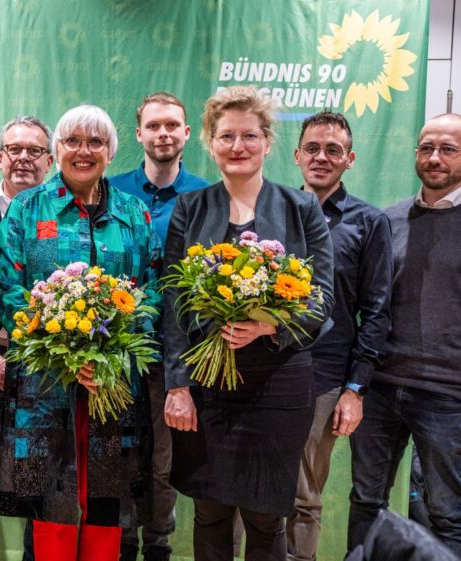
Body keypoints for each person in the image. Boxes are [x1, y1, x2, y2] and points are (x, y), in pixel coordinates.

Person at [163, 85, 334, 561]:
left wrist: (270, 327)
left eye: (250, 136)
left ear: (267, 141)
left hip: (278, 385)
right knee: (210, 509)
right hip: (206, 384)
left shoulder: (302, 209)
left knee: (265, 515)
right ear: (210, 142)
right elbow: (173, 298)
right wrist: (177, 385)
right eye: (226, 136)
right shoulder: (189, 208)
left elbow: (323, 297)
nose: (238, 146)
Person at [0, 104, 161, 561]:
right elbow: (6, 286)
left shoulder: (134, 214)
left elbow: (151, 290)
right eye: (72, 141)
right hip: (44, 385)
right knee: (51, 498)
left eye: (96, 142)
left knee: (107, 501)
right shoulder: (28, 208)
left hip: (113, 385)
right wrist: (63, 354)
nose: (83, 151)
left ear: (111, 150)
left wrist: (113, 355)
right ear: (57, 150)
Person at [347, 113, 461, 560]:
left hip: (451, 398)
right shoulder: (387, 220)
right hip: (381, 388)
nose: (434, 158)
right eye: (427, 147)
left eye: (448, 149)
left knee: (447, 512)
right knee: (366, 502)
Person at [285, 111, 393, 561]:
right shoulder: (274, 212)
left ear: (350, 159)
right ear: (296, 156)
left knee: (304, 497)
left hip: (326, 378)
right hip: (266, 374)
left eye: (333, 150)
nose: (321, 157)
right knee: (247, 495)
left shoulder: (369, 222)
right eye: (312, 148)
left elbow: (378, 311)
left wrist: (355, 389)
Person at [110, 92, 208, 561]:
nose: (163, 133)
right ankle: (124, 544)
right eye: (154, 126)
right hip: (115, 351)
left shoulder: (207, 195)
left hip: (178, 354)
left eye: (172, 125)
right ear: (139, 134)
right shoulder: (111, 191)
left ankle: (160, 547)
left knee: (164, 459)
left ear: (186, 133)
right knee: (121, 453)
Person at [0, 115, 53, 561]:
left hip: (44, 367)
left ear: (49, 161)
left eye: (34, 150)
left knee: (36, 475)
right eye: (15, 149)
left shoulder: (61, 214)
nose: (24, 158)